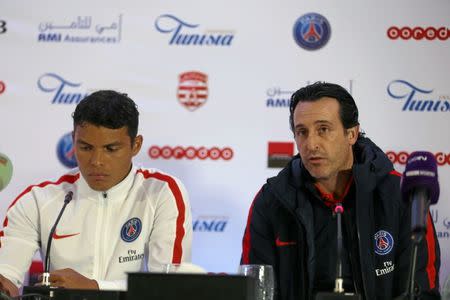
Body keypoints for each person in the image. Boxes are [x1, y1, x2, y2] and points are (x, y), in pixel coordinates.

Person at [241, 82, 440, 299]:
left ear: (352, 134)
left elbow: (422, 291)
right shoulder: (271, 201)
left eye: (323, 129)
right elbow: (253, 291)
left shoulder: (401, 195)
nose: (311, 144)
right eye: (302, 132)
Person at [0, 90, 192, 296]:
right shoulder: (38, 200)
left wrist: (94, 288)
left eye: (111, 148)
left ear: (135, 145)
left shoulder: (161, 192)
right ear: (73, 140)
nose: (96, 161)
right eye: (85, 147)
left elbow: (171, 287)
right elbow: (6, 275)